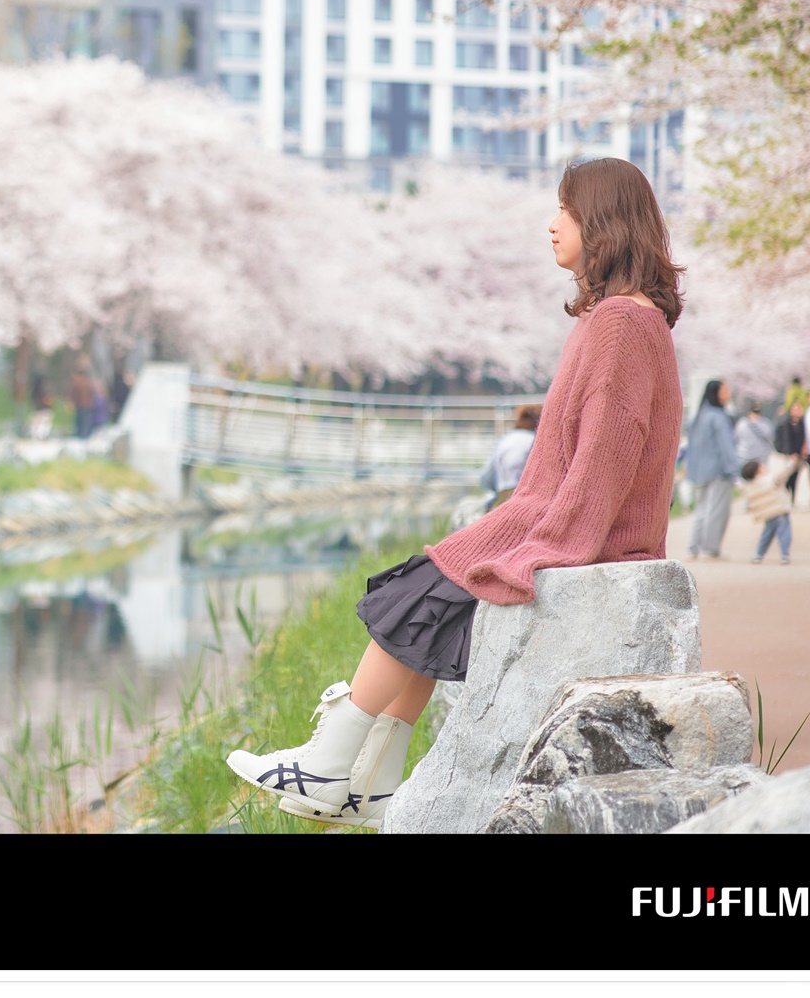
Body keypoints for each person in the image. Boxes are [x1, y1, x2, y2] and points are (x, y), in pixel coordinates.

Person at [226, 157, 684, 827]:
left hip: (589, 534)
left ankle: (330, 759)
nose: (552, 224)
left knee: (418, 592)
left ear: (605, 224)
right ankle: (371, 777)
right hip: (554, 517)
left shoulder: (621, 322)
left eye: (568, 210)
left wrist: (550, 547)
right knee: (428, 596)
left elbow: (606, 457)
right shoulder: (617, 318)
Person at [685, 379, 740, 560]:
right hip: (719, 470)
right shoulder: (718, 416)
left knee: (700, 510)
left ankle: (694, 545)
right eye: (724, 391)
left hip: (698, 471)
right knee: (716, 510)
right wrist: (734, 470)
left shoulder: (699, 416)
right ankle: (711, 548)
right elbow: (726, 446)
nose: (728, 394)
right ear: (716, 393)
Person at [480, 404, 541, 509]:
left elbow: (486, 478)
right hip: (527, 499)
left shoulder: (505, 439)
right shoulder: (537, 440)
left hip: (502, 497)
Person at [743, 455, 795, 564]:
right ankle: (785, 555)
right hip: (779, 512)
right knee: (784, 533)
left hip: (768, 514)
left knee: (766, 535)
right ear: (758, 471)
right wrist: (791, 464)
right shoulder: (770, 480)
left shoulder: (750, 485)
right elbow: (783, 475)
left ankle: (758, 555)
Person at [772, 400, 807, 505]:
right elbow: (786, 439)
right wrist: (791, 453)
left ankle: (792, 499)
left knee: (796, 477)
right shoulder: (787, 423)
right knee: (788, 475)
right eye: (795, 409)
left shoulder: (803, 423)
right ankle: (786, 496)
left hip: (800, 454)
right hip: (790, 454)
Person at [734, 400, 773, 469]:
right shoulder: (742, 423)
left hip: (758, 457)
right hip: (746, 457)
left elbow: (736, 439)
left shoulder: (742, 423)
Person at [68, 364, 96, 439]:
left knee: (82, 424)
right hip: (86, 407)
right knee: (84, 424)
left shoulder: (77, 384)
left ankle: (82, 438)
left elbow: (73, 396)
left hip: (82, 407)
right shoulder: (88, 383)